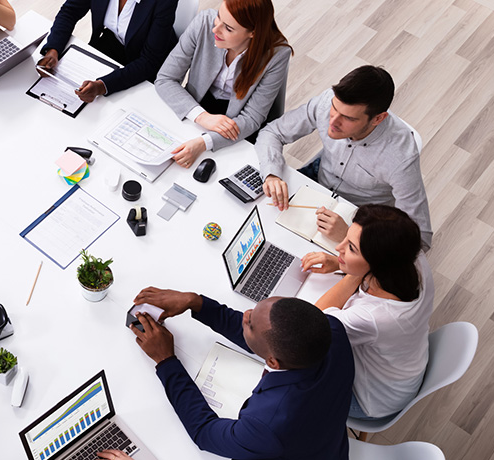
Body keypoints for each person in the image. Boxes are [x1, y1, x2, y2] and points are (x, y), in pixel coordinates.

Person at [128, 288, 353, 459]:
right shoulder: (330, 330)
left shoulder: (267, 426)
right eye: (254, 309)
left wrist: (165, 360)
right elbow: (268, 338)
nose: (245, 314)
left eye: (250, 323)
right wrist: (196, 303)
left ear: (273, 363)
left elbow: (204, 432)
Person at [255, 65, 434, 245]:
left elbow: (420, 237)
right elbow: (272, 132)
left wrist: (350, 236)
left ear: (378, 119)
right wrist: (271, 174)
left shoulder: (400, 158)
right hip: (318, 181)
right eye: (335, 108)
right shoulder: (328, 102)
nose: (332, 121)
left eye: (348, 118)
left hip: (362, 214)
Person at [300, 204, 433, 421]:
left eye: (351, 248)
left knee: (292, 368)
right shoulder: (412, 257)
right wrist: (344, 264)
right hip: (401, 368)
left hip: (371, 400)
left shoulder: (374, 317)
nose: (338, 248)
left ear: (377, 265)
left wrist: (351, 271)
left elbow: (311, 323)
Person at [155, 0, 291, 168]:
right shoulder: (204, 23)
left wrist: (204, 142)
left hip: (238, 124)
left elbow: (252, 118)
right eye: (219, 17)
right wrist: (202, 116)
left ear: (253, 33)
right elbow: (165, 79)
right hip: (195, 106)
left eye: (228, 28)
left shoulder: (277, 55)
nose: (215, 29)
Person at [36, 0, 178, 102]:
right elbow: (70, 11)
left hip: (146, 63)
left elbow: (150, 60)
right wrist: (53, 49)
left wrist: (103, 86)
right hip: (110, 46)